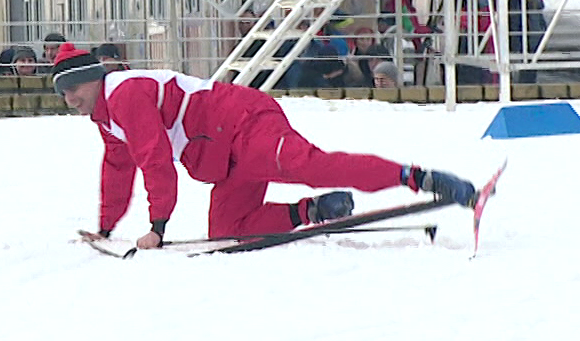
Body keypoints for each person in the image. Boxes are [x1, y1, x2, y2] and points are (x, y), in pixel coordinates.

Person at [50, 42, 480, 249]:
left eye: (73, 87)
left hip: (242, 124)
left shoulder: (124, 95)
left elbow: (155, 160)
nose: (70, 98)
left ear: (94, 78)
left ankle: (421, 178)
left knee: (310, 165)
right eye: (62, 92)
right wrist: (106, 227)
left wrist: (158, 228)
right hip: (224, 159)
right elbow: (118, 169)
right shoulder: (105, 117)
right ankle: (314, 211)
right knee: (228, 232)